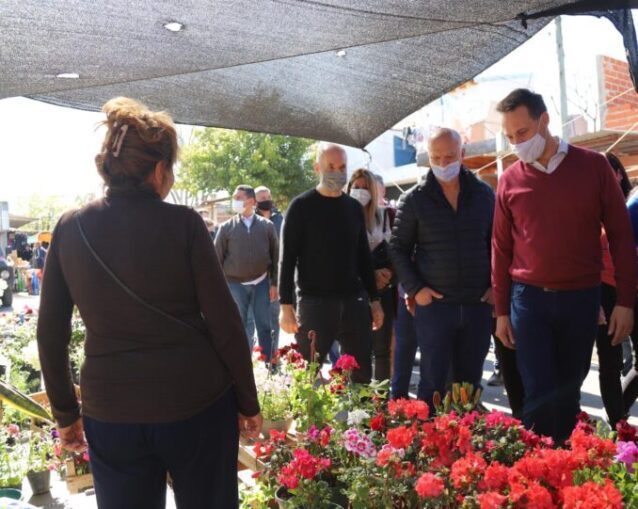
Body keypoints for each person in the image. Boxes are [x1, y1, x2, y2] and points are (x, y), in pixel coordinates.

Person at [36, 97, 261, 509]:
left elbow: (50, 333)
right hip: (197, 403)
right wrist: (248, 401)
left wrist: (66, 413)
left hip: (112, 410)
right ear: (159, 170)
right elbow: (225, 322)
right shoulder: (185, 224)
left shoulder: (70, 228)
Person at [492, 88, 636, 443]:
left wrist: (625, 303)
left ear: (545, 120)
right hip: (529, 301)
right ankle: (538, 476)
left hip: (581, 298)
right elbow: (500, 247)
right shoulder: (509, 179)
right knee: (538, 391)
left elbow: (621, 237)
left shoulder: (594, 166)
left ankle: (567, 477)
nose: (516, 144)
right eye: (509, 137)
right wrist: (501, 312)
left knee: (569, 392)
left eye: (522, 133)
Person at [390, 128, 495, 407]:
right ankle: (430, 444)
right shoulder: (414, 199)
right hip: (435, 306)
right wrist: (416, 289)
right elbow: (398, 248)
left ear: (462, 154)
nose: (443, 163)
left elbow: (498, 246)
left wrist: (495, 286)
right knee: (433, 382)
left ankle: (468, 442)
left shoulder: (484, 195)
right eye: (436, 157)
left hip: (477, 304)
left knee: (470, 384)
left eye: (449, 156)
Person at [279, 143, 384, 383]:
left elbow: (364, 259)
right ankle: (306, 422)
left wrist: (374, 300)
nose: (337, 172)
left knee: (361, 376)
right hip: (314, 304)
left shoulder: (354, 208)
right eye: (330, 167)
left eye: (342, 167)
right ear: (317, 168)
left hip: (354, 303)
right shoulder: (300, 207)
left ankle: (361, 421)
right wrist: (286, 306)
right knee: (306, 376)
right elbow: (287, 260)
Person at [593, 152, 635, 427]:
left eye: (610, 172)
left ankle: (619, 413)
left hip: (633, 290)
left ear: (619, 173)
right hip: (605, 292)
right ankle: (618, 424)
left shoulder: (633, 205)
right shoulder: (587, 211)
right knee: (609, 363)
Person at [215, 185, 279, 361]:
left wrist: (274, 284)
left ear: (251, 201)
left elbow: (275, 257)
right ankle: (241, 363)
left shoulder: (267, 226)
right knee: (240, 326)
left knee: (265, 325)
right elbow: (216, 260)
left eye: (238, 198)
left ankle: (269, 365)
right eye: (234, 198)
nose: (234, 201)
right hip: (235, 285)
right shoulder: (226, 228)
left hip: (261, 283)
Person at [347, 168, 395, 381]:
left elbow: (401, 251)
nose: (360, 192)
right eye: (356, 187)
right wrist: (369, 274)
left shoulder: (387, 216)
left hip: (384, 291)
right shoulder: (342, 218)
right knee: (356, 352)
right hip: (353, 294)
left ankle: (381, 405)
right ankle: (359, 403)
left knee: (382, 350)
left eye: (365, 188)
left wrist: (389, 273)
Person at [244, 186, 284, 352]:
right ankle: (247, 358)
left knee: (273, 319)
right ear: (255, 201)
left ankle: (272, 357)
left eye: (268, 196)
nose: (266, 199)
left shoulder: (280, 219)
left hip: (274, 278)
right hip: (253, 277)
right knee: (250, 319)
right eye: (262, 197)